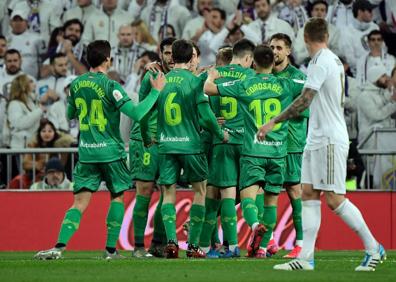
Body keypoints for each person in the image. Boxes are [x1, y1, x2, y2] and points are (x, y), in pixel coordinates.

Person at [256, 18, 386, 271]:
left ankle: (373, 248)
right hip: (317, 137)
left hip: (328, 139)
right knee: (308, 193)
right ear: (326, 35)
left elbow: (305, 100)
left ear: (306, 39)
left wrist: (273, 121)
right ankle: (305, 258)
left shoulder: (321, 61)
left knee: (335, 199)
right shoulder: (330, 59)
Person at [34, 39, 166, 260]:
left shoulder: (76, 84)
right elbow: (136, 113)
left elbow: (69, 116)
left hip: (86, 152)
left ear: (87, 60)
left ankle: (59, 246)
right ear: (108, 60)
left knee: (79, 202)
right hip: (110, 153)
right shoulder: (111, 86)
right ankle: (110, 251)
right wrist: (155, 92)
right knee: (116, 197)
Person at [204, 44, 302, 258]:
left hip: (253, 152)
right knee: (271, 202)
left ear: (254, 62)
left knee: (247, 198)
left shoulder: (245, 84)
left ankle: (255, 225)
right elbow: (307, 90)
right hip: (278, 154)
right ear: (273, 62)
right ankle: (263, 248)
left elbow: (208, 89)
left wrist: (211, 76)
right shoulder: (285, 84)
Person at [153, 39, 227, 259]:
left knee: (168, 193)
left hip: (166, 145)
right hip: (191, 146)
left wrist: (150, 136)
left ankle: (172, 243)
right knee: (200, 192)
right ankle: (193, 245)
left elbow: (149, 112)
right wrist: (220, 133)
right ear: (192, 58)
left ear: (172, 57)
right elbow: (205, 116)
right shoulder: (196, 82)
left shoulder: (161, 81)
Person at [199, 39, 256, 258]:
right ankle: (261, 245)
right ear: (248, 58)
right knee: (254, 192)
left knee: (225, 194)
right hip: (247, 143)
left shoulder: (213, 76)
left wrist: (214, 122)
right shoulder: (250, 76)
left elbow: (202, 109)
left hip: (222, 141)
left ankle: (230, 246)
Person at [128, 37, 176, 258]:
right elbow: (144, 111)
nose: (171, 57)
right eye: (167, 53)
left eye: (174, 53)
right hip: (146, 140)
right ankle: (138, 246)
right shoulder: (152, 76)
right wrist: (148, 137)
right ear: (161, 54)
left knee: (167, 192)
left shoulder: (181, 76)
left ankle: (158, 243)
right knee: (144, 192)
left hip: (167, 142)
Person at [267, 33, 307, 259]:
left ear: (289, 51)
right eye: (272, 47)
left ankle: (300, 243)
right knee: (265, 192)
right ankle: (268, 241)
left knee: (294, 192)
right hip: (268, 146)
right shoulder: (263, 75)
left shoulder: (299, 79)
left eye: (279, 48)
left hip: (291, 144)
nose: (275, 51)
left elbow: (303, 112)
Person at [357, 65, 396, 188]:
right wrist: (394, 102)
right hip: (371, 142)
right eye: (383, 76)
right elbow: (377, 115)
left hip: (384, 141)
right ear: (375, 78)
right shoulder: (364, 96)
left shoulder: (382, 93)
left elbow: (389, 112)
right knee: (372, 172)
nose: (387, 78)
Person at [6, 74, 45, 149]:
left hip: (33, 144)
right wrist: (39, 111)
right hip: (20, 146)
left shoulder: (32, 101)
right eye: (30, 81)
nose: (34, 84)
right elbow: (20, 123)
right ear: (23, 85)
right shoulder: (14, 104)